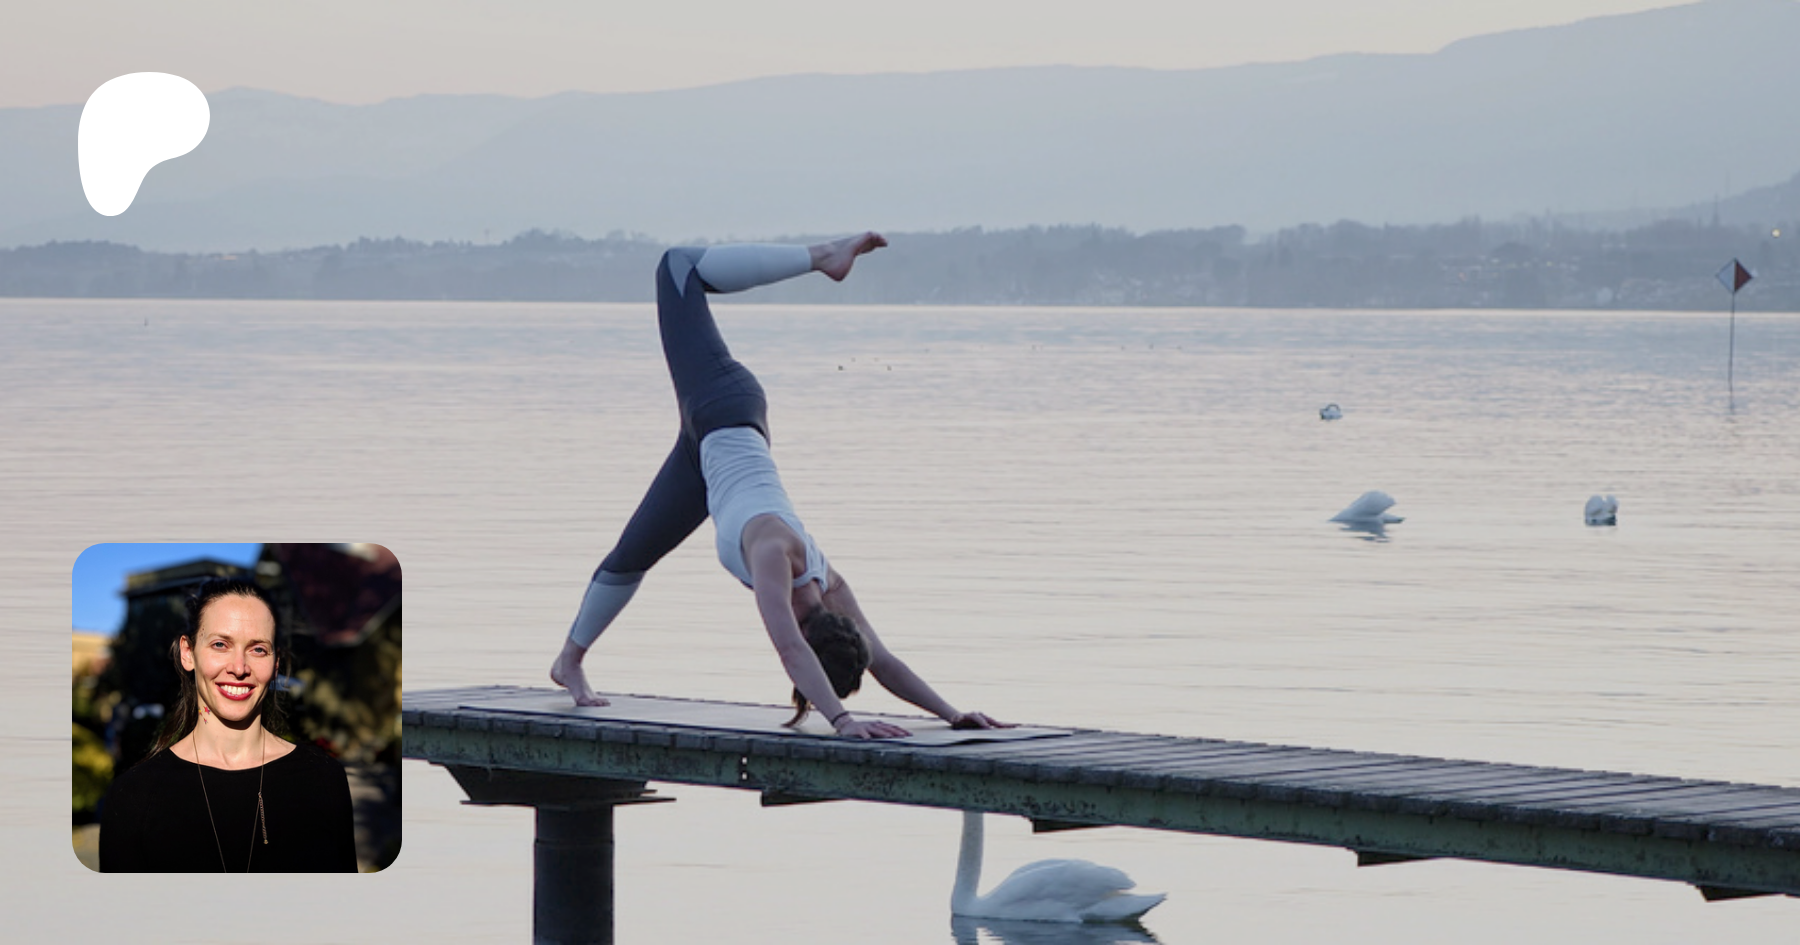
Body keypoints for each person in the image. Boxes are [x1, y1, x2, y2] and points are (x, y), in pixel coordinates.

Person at [550, 234, 1008, 739]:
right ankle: (824, 256)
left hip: (704, 458)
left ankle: (569, 661)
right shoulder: (778, 559)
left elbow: (883, 660)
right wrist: (843, 720)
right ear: (811, 633)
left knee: (630, 557)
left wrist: (952, 714)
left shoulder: (829, 587)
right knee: (676, 267)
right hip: (723, 405)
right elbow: (789, 649)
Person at [100, 578, 357, 872]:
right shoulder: (134, 796)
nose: (239, 668)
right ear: (188, 653)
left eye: (258, 649)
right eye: (220, 645)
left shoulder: (324, 778)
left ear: (276, 663)